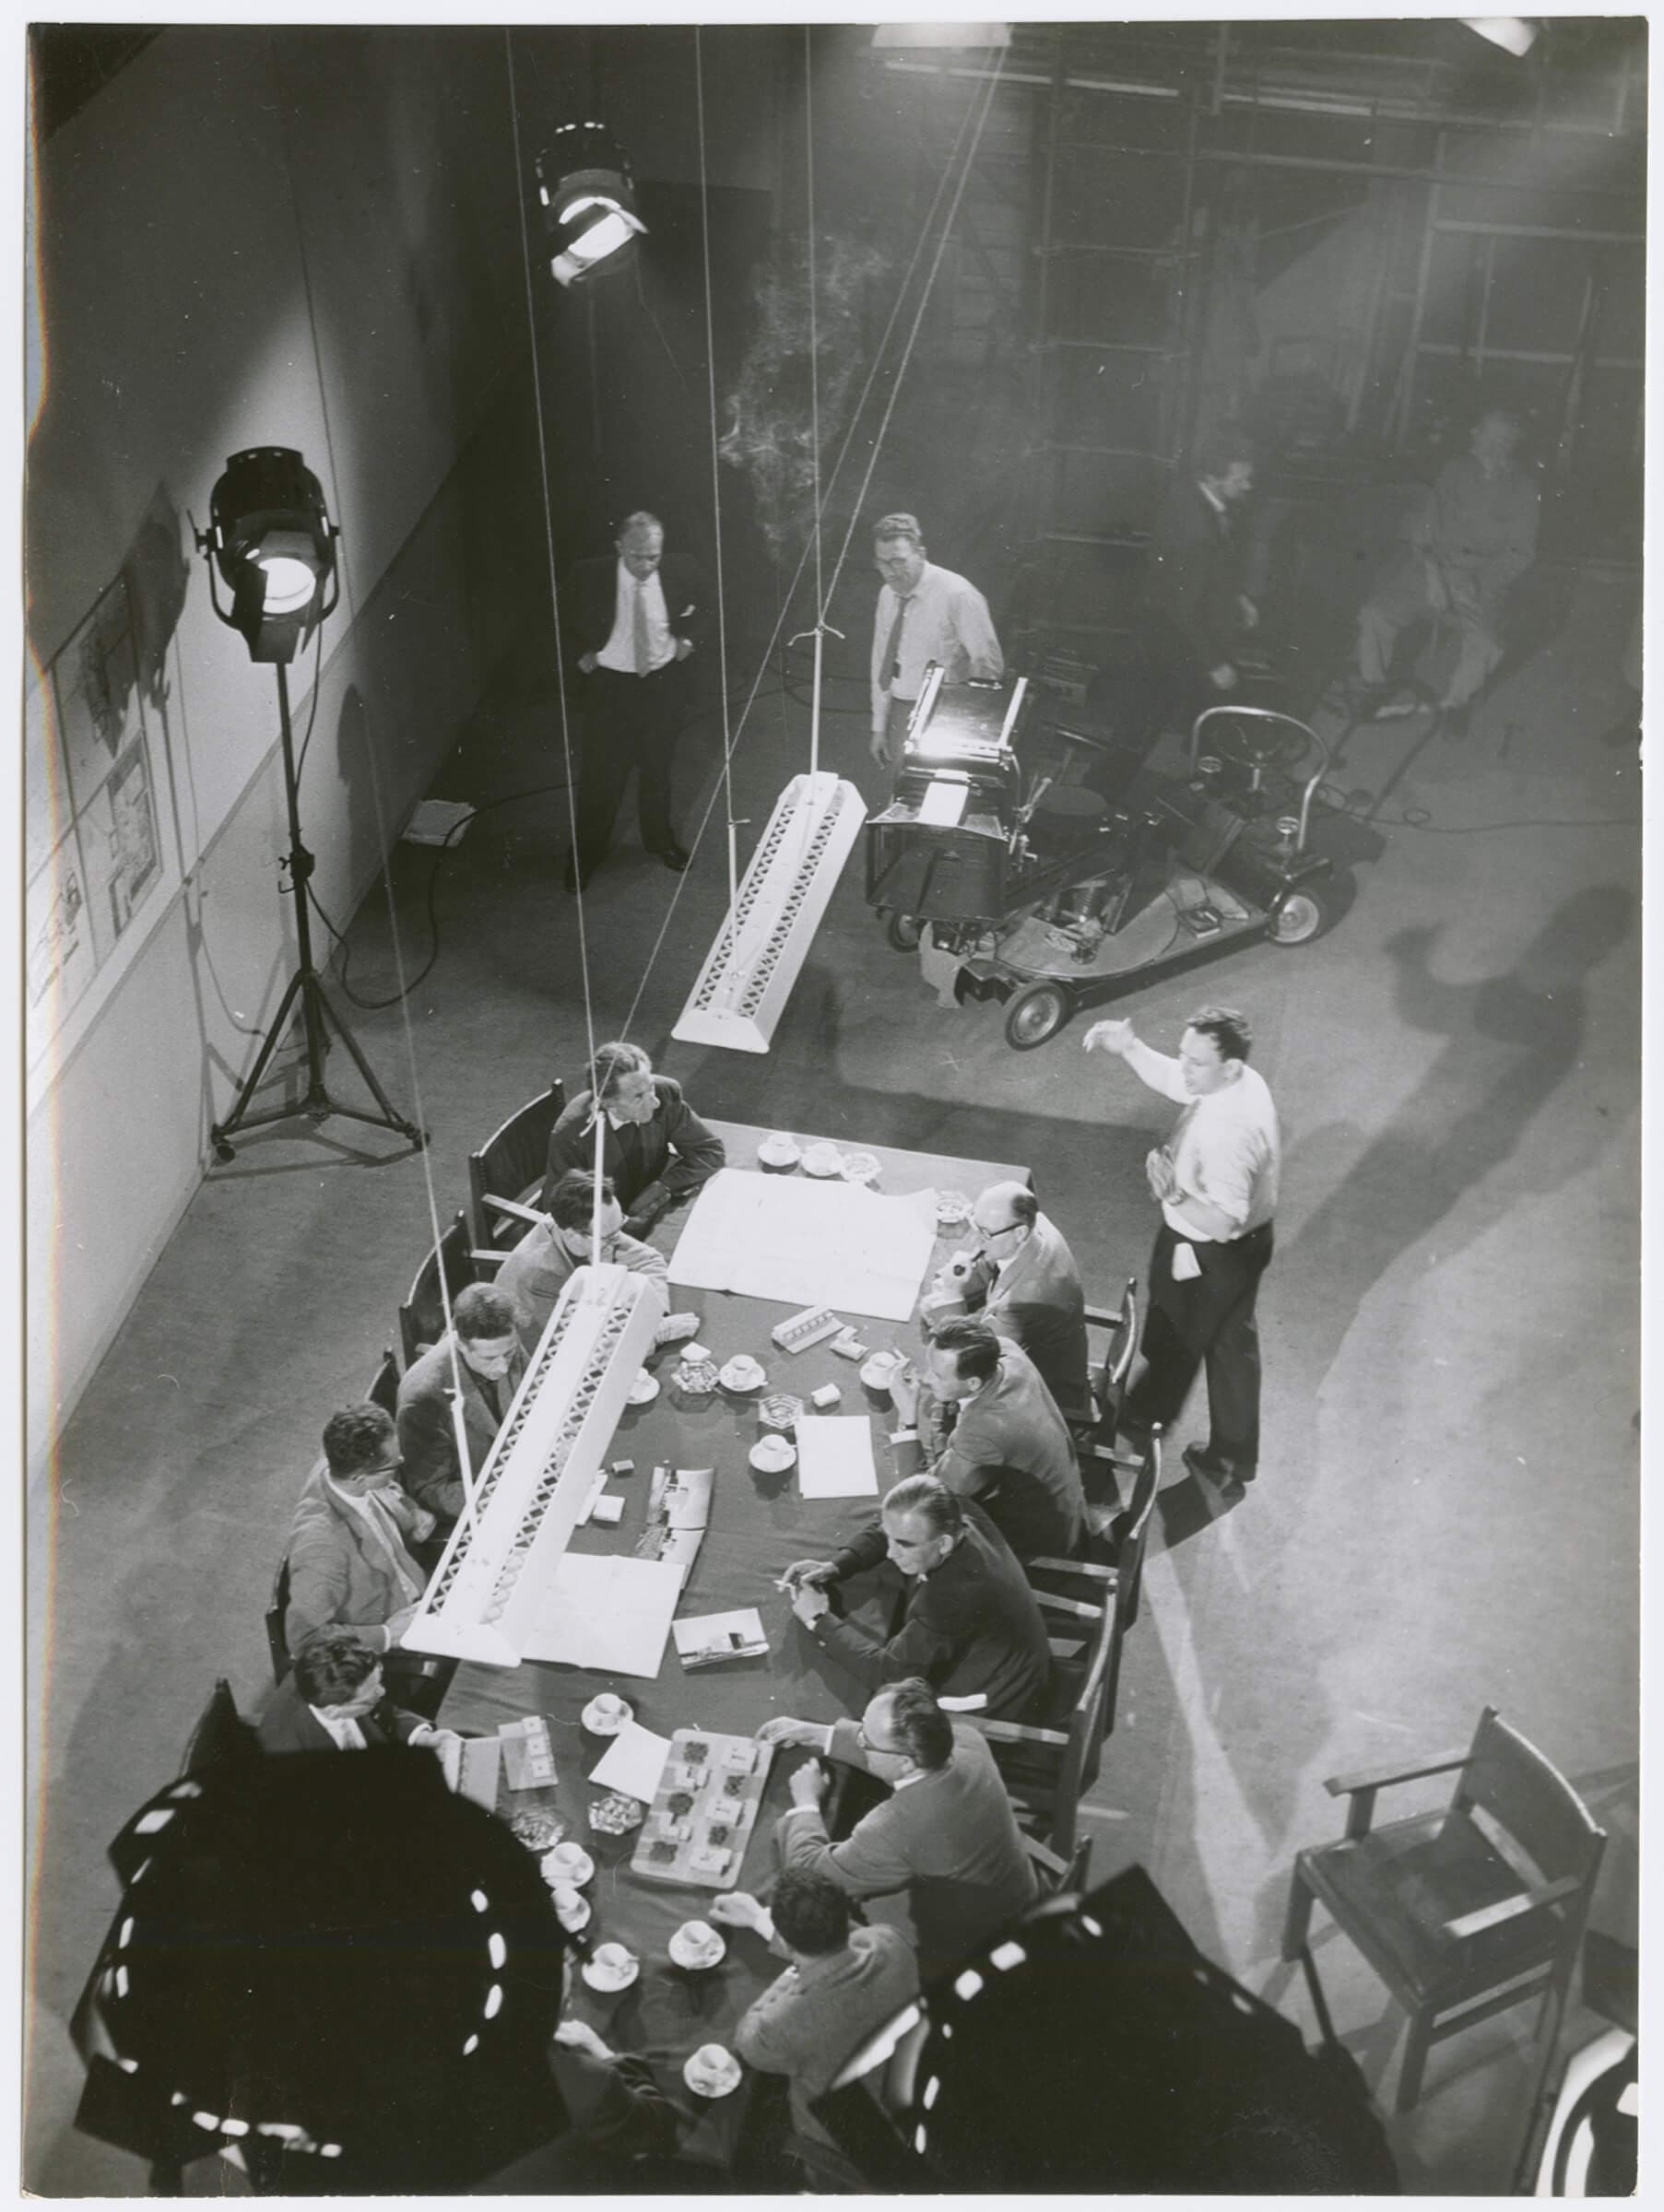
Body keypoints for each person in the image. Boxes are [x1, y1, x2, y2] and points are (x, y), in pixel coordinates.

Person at [1083, 1006, 1279, 1488]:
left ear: (1228, 1067)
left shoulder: (1230, 1133)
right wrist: (1130, 1047)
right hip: (1210, 1245)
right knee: (1197, 1334)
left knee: (1217, 1344)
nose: (1185, 1067)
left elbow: (1223, 1220)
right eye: (1184, 1054)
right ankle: (1155, 1411)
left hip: (1214, 1252)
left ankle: (1215, 1450)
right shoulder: (1234, 1079)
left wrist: (1173, 1194)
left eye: (1196, 1061)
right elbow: (1179, 1080)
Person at [758, 1678, 1040, 1977]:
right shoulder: (964, 1739)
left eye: (866, 1739)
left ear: (906, 1764)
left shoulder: (895, 1827)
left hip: (970, 1943)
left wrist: (806, 1801)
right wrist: (818, 1734)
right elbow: (894, 1749)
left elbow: (810, 1873)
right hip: (1014, 1887)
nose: (860, 1740)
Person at [781, 1473, 1049, 1719]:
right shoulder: (954, 1509)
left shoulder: (950, 1598)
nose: (890, 1553)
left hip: (998, 1690)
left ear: (943, 1543)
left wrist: (818, 1619)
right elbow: (891, 1525)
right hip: (1011, 1648)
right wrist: (838, 1565)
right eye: (890, 1539)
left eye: (904, 1545)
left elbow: (889, 1674)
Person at [715, 1867, 919, 2179]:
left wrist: (793, 1973)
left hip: (847, 2131)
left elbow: (747, 2038)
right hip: (912, 2081)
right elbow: (854, 1937)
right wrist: (760, 1920)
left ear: (785, 1938)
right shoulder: (890, 1942)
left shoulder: (776, 2028)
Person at [1355, 406, 1538, 725]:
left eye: (1481, 430)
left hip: (1480, 580)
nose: (1473, 434)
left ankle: (1456, 704)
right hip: (1432, 567)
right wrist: (1433, 573)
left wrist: (1478, 584)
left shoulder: (1524, 490)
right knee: (1375, 613)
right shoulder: (1456, 469)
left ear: (1503, 442)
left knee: (1486, 644)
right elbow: (1426, 527)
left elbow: (1520, 553)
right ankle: (1373, 685)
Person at [561, 510, 706, 888]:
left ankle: (659, 841)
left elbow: (711, 607)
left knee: (658, 769)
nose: (646, 565)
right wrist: (580, 652)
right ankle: (586, 855)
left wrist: (689, 640)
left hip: (662, 685)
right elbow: (558, 618)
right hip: (611, 688)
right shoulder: (588, 575)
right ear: (619, 548)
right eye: (636, 556)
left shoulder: (683, 569)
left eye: (653, 557)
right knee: (602, 777)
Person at [889, 1318, 1084, 1562]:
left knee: (918, 1539)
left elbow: (921, 1499)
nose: (927, 1379)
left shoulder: (983, 1431)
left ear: (972, 1383)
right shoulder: (1006, 1351)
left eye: (938, 1376)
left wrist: (908, 1418)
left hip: (1043, 1533)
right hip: (1063, 1496)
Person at [927, 1181, 1092, 1426]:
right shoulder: (1032, 1228)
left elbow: (968, 1353)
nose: (976, 1239)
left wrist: (950, 1295)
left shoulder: (1026, 1299)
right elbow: (994, 1261)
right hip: (1054, 1351)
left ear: (1019, 1232)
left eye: (984, 1233)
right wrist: (961, 1277)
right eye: (974, 1223)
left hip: (1044, 1391)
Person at [285, 1405, 432, 1661]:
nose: (400, 1465)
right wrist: (386, 1636)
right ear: (360, 1478)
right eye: (394, 1465)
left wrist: (410, 1510)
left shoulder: (339, 1467)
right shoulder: (321, 1547)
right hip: (390, 1633)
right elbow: (304, 1641)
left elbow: (390, 1490)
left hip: (416, 1585)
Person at [540, 1039, 724, 1233]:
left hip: (650, 1205)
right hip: (605, 1225)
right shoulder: (571, 1134)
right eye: (638, 1097)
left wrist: (661, 1186)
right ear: (608, 1103)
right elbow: (562, 1211)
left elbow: (709, 1151)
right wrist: (622, 1224)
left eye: (651, 1087)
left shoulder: (665, 1092)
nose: (655, 1103)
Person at [868, 512, 1003, 769]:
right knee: (902, 790)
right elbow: (881, 662)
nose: (890, 573)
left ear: (920, 553)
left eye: (898, 561)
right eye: (882, 563)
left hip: (944, 715)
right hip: (900, 710)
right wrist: (879, 727)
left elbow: (988, 665)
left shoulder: (958, 594)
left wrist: (968, 728)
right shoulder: (887, 594)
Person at [395, 1283, 527, 1531]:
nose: (502, 1367)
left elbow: (532, 1395)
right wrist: (511, 1496)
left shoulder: (502, 1344)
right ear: (460, 1345)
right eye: (489, 1359)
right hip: (484, 1501)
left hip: (516, 1468)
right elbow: (432, 1490)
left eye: (508, 1355)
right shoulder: (423, 1397)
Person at [496, 1169, 669, 1354]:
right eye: (610, 1236)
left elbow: (650, 1260)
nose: (617, 1239)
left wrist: (654, 1311)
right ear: (572, 1235)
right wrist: (655, 1333)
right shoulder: (539, 1276)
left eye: (620, 1226)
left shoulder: (588, 1229)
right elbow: (577, 1350)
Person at [257, 1626, 443, 1753]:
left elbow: (381, 1712)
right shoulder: (287, 1748)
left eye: (379, 1679)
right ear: (334, 1710)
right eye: (370, 1697)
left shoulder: (328, 1678)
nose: (382, 1693)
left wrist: (423, 1738)